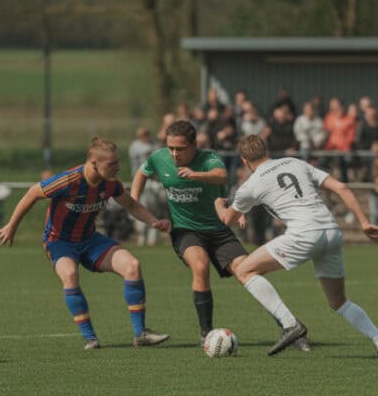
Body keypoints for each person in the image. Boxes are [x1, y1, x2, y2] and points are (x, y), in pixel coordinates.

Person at [214, 135, 378, 359]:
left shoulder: (250, 185)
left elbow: (226, 220)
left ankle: (290, 324)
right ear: (266, 151)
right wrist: (364, 222)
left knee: (243, 270)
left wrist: (218, 204)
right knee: (339, 302)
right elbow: (341, 187)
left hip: (304, 234)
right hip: (331, 232)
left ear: (244, 160)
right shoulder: (295, 162)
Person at [131, 121, 309, 351]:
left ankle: (290, 327)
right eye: (171, 148)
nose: (174, 154)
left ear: (194, 145)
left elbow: (221, 176)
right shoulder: (159, 157)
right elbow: (141, 173)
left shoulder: (208, 158)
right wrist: (135, 200)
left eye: (180, 148)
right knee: (200, 265)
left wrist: (196, 175)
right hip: (186, 230)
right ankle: (206, 334)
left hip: (218, 230)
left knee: (247, 270)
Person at [0, 136, 172, 350]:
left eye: (118, 162)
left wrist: (153, 221)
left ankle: (140, 334)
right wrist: (12, 226)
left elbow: (131, 206)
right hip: (59, 242)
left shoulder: (110, 184)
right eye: (112, 164)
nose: (118, 167)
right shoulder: (69, 180)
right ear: (94, 163)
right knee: (69, 275)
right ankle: (90, 338)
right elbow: (33, 192)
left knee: (132, 266)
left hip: (90, 240)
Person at [128, 127, 165, 246]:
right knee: (140, 207)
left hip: (154, 180)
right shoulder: (135, 146)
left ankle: (152, 238)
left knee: (155, 210)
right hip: (140, 179)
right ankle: (141, 237)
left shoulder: (155, 145)